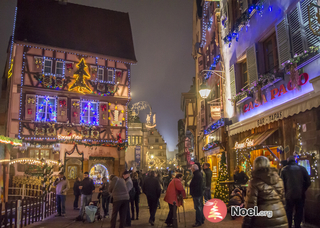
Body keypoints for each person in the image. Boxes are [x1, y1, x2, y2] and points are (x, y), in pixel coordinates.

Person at [242, 156, 288, 228]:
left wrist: (246, 224)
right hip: (280, 215)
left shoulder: (254, 182)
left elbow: (250, 207)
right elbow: (283, 200)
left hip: (263, 219)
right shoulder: (278, 180)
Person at [281, 156, 311, 228]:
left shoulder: (284, 170)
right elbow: (308, 182)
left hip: (288, 195)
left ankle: (289, 225)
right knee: (299, 211)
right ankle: (297, 225)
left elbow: (281, 183)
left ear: (288, 161)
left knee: (289, 212)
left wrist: (284, 192)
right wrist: (303, 189)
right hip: (300, 194)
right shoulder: (302, 169)